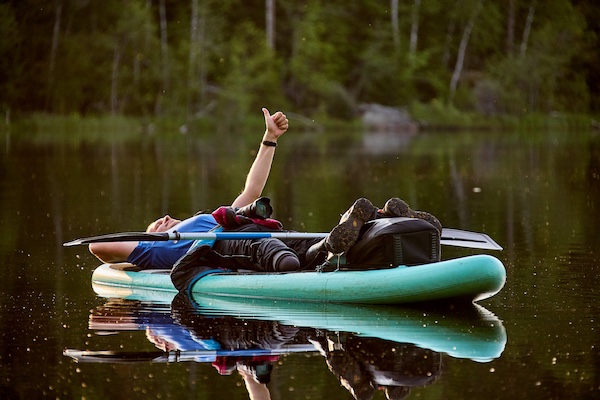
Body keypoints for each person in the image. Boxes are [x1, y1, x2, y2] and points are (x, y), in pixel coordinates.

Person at [88, 107, 290, 269]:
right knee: (279, 255)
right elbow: (97, 246)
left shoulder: (219, 219)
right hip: (243, 247)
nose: (165, 218)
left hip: (258, 233)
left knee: (301, 245)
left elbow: (252, 191)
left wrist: (270, 137)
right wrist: (141, 246)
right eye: (158, 225)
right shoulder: (154, 250)